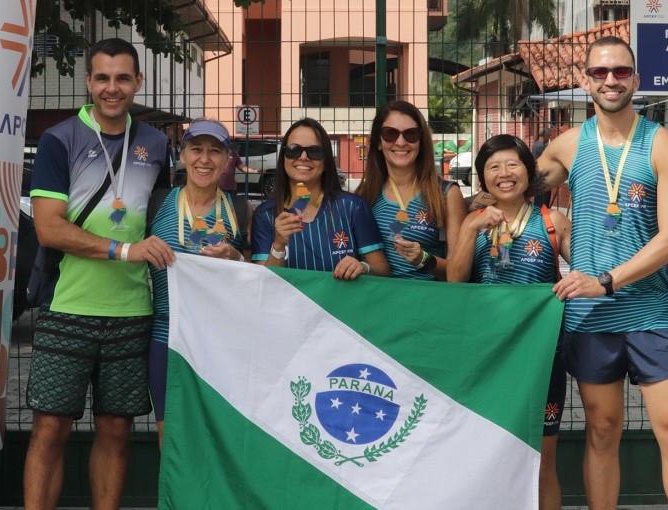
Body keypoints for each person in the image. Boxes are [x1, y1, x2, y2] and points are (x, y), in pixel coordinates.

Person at [538, 36, 668, 509]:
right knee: (602, 431)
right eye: (601, 72)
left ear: (637, 79)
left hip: (650, 310)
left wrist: (606, 280)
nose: (611, 80)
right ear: (584, 81)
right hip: (591, 317)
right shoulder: (565, 147)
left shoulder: (665, 146)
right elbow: (511, 185)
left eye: (621, 72)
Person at [23, 38, 176, 510]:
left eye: (122, 78)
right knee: (51, 428)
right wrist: (123, 250)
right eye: (103, 78)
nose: (113, 88)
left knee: (116, 430)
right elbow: (48, 228)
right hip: (66, 305)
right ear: (88, 82)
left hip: (131, 311)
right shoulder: (60, 139)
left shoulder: (155, 142)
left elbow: (162, 223)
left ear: (138, 83)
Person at [447, 134, 570, 510]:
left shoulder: (554, 222)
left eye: (513, 164)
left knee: (543, 460)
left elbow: (591, 271)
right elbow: (454, 280)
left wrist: (648, 273)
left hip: (542, 360)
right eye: (493, 167)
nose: (504, 174)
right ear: (482, 178)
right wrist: (471, 227)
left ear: (528, 171)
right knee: (488, 456)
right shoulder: (472, 222)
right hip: (488, 361)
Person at [148, 119, 251, 446]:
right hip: (166, 335)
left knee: (214, 435)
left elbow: (252, 279)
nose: (204, 160)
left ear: (226, 159)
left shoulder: (238, 208)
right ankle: (174, 500)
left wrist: (235, 259)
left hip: (218, 340)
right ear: (182, 156)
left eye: (214, 151)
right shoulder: (158, 202)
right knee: (170, 434)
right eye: (196, 150)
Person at [252, 118, 389, 278]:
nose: (303, 157)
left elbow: (382, 269)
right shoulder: (265, 214)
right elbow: (262, 281)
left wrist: (363, 267)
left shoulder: (352, 207)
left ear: (326, 161)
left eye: (314, 151)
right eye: (293, 150)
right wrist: (279, 246)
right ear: (283, 157)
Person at [355, 100, 467, 280]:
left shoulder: (446, 194)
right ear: (377, 142)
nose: (400, 142)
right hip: (378, 302)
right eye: (390, 134)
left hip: (427, 303)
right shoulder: (365, 194)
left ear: (421, 142)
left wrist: (425, 259)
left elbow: (459, 271)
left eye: (411, 134)